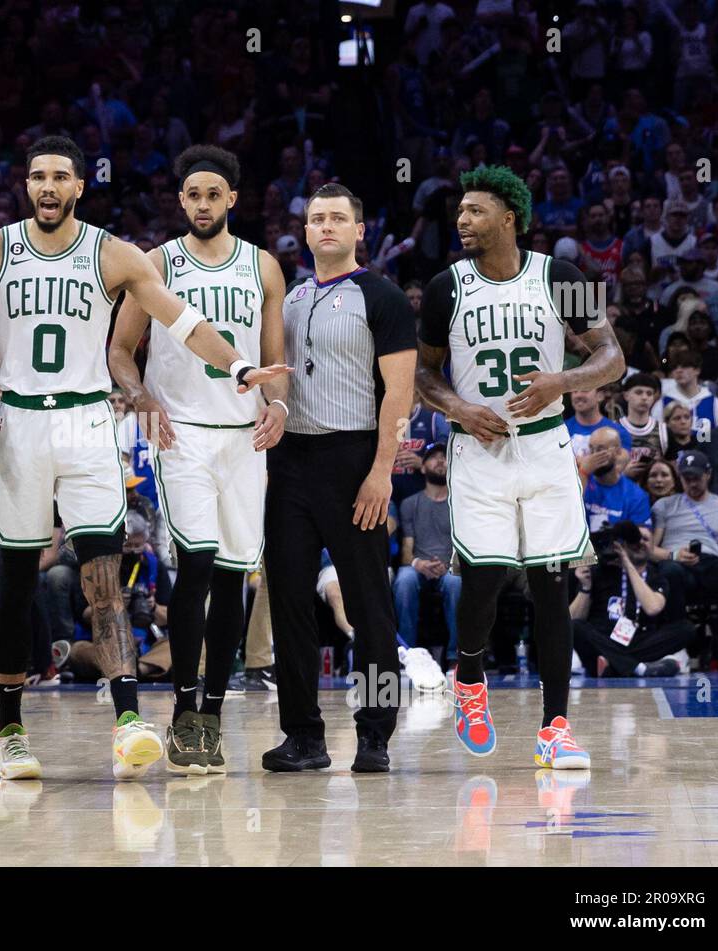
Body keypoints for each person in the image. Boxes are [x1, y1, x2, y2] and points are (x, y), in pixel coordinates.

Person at [0, 135, 286, 781]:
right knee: (16, 585)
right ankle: (11, 731)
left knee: (103, 580)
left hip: (87, 422)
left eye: (61, 177)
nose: (48, 187)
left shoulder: (115, 254)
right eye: (37, 177)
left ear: (81, 186)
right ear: (26, 185)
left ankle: (129, 721)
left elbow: (183, 321)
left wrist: (243, 367)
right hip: (17, 423)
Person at [417, 164, 625, 770]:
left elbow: (612, 357)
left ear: (509, 217)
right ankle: (471, 679)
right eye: (459, 212)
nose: (462, 220)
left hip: (546, 445)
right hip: (478, 449)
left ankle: (555, 728)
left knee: (551, 583)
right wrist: (457, 404)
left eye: (475, 211)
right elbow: (426, 372)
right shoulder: (443, 287)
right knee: (483, 577)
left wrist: (564, 378)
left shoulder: (561, 276)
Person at [108, 144, 288, 776]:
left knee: (237, 572)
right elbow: (121, 350)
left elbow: (274, 360)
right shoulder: (154, 264)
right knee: (199, 565)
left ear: (232, 199)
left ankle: (213, 710)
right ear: (180, 201)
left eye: (214, 194)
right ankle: (185, 709)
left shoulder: (264, 268)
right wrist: (138, 394)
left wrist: (279, 407)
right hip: (180, 434)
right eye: (192, 195)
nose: (203, 204)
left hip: (245, 438)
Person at [259, 182, 416, 776]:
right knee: (292, 604)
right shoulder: (289, 299)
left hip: (355, 460)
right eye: (316, 218)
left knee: (370, 605)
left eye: (337, 218)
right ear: (304, 232)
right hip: (290, 462)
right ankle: (303, 736)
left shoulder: (383, 296)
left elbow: (399, 394)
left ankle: (375, 734)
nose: (325, 226)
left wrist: (380, 471)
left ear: (358, 231)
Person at [649, 451, 718, 670]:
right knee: (670, 573)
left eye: (696, 478)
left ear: (708, 475)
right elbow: (650, 550)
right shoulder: (664, 506)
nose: (692, 483)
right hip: (678, 561)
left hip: (711, 562)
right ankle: (678, 650)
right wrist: (673, 555)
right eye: (687, 478)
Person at [571, 521, 692, 677]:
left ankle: (614, 665)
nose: (640, 543)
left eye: (646, 539)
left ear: (653, 548)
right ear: (624, 544)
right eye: (635, 539)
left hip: (640, 639)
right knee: (575, 626)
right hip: (604, 638)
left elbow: (653, 608)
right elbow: (572, 619)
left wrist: (627, 565)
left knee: (686, 629)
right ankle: (640, 668)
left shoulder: (657, 577)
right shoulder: (601, 572)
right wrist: (585, 587)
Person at [392, 443, 460, 670]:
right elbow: (406, 549)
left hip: (451, 566)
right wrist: (418, 563)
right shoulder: (410, 504)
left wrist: (449, 565)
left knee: (455, 582)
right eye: (433, 457)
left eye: (444, 457)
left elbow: (465, 546)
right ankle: (407, 656)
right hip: (417, 565)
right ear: (422, 467)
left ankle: (455, 658)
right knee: (404, 580)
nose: (440, 461)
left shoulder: (460, 504)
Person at [583, 425, 652, 534]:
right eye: (591, 449)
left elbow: (641, 540)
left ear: (618, 451)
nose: (594, 455)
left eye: (600, 449)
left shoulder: (636, 496)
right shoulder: (581, 481)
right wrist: (583, 473)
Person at [615, 372, 662, 482]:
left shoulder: (663, 430)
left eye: (649, 393)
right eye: (639, 392)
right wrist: (622, 473)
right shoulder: (612, 429)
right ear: (626, 395)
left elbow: (672, 469)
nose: (644, 397)